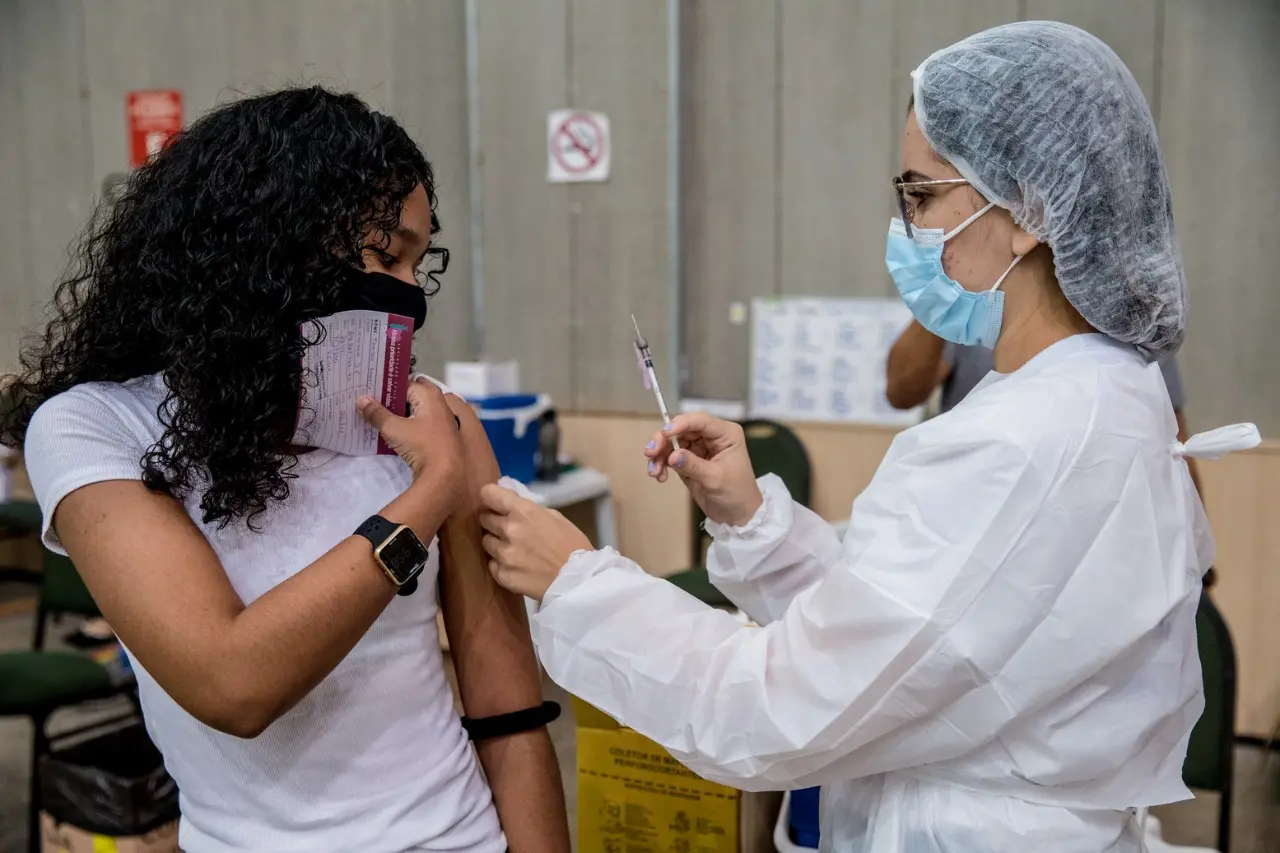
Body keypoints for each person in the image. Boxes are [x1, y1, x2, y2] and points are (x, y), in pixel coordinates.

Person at [445, 23, 1261, 853]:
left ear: (1029, 210)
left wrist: (578, 582)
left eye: (923, 196)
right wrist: (753, 520)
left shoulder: (1021, 442)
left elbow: (779, 707)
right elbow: (911, 638)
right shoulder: (1103, 393)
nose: (908, 229)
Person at [3, 87, 569, 853]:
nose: (408, 290)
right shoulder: (97, 426)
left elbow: (510, 711)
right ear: (267, 249)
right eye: (384, 254)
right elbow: (232, 684)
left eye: (417, 260)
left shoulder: (435, 425)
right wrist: (430, 494)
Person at [885, 327, 1206, 497]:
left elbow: (1172, 443)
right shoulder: (973, 312)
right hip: (975, 515)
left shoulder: (1129, 323)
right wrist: (936, 303)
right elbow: (901, 392)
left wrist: (1199, 567)